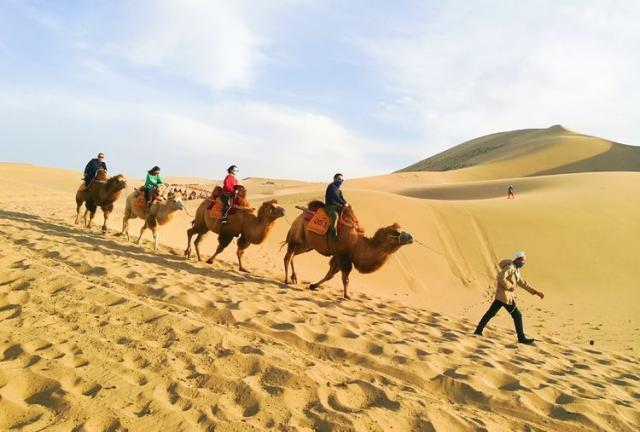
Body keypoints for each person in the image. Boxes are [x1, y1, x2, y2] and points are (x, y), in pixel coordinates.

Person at [474, 251, 544, 345]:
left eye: (524, 261)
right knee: (517, 315)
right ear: (517, 259)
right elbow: (500, 277)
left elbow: (523, 283)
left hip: (504, 297)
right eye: (522, 260)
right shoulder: (510, 267)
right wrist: (509, 286)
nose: (523, 262)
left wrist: (535, 292)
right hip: (505, 297)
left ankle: (478, 330)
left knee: (491, 313)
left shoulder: (515, 269)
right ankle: (521, 338)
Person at [325, 173, 348, 240]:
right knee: (335, 216)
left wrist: (346, 203)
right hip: (329, 206)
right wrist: (343, 203)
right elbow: (336, 197)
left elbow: (342, 198)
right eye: (339, 179)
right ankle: (333, 234)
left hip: (337, 206)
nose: (341, 181)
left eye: (342, 180)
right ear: (335, 179)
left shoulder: (339, 190)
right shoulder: (331, 186)